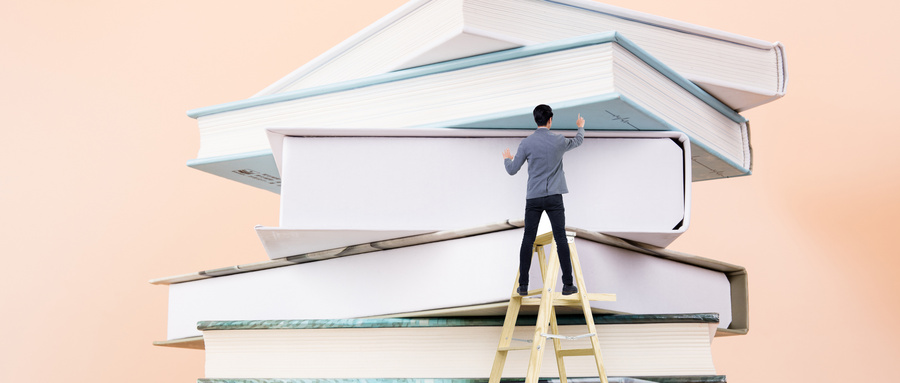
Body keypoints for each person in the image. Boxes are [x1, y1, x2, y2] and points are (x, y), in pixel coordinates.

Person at [502, 104, 585, 296]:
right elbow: (578, 141)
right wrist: (580, 126)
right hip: (554, 197)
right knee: (560, 237)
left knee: (528, 239)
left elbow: (512, 170)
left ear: (535, 120)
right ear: (550, 120)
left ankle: (523, 285)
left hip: (534, 197)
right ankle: (567, 284)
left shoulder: (526, 143)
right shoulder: (558, 140)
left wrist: (507, 158)